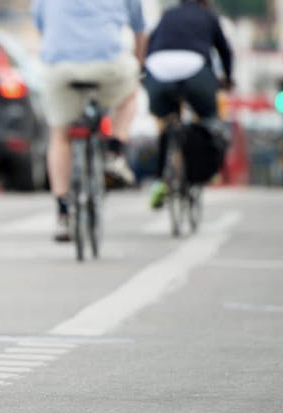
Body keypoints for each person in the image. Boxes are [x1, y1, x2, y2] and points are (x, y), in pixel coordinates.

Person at [31, 0, 148, 242]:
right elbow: (139, 31)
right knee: (130, 94)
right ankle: (115, 153)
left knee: (60, 135)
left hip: (60, 67)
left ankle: (63, 211)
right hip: (108, 64)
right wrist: (140, 66)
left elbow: (42, 28)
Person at [142, 0, 234, 209]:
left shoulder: (167, 14)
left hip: (158, 70)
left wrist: (147, 76)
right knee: (209, 117)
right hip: (195, 70)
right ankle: (206, 167)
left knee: (167, 121)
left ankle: (161, 180)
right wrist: (228, 79)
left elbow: (150, 45)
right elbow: (224, 51)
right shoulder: (208, 16)